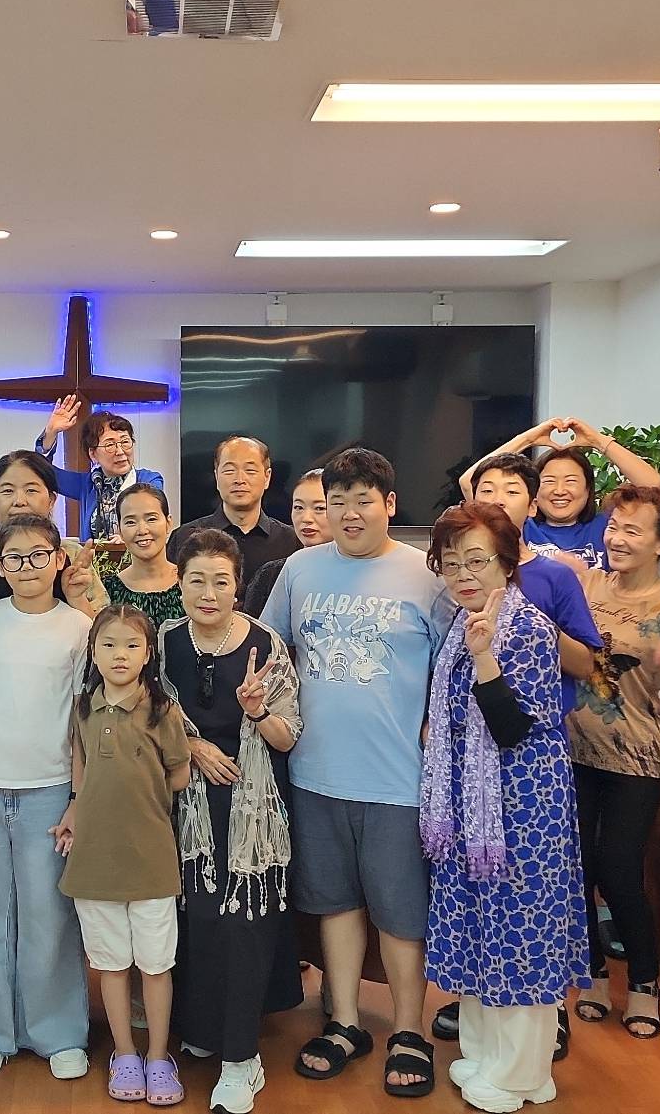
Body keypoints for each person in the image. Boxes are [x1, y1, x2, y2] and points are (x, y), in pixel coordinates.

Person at [261, 448, 453, 1098]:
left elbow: (454, 666)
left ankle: (408, 1030)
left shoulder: (426, 575)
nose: (348, 513)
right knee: (334, 904)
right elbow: (268, 650)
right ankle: (344, 1022)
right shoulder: (299, 568)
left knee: (401, 913)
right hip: (314, 773)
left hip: (398, 778)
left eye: (362, 500)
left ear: (389, 504)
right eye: (336, 501)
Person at [431, 452, 604, 1052]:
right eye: (451, 563)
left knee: (522, 924)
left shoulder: (525, 626)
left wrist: (485, 659)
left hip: (523, 804)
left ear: (507, 562)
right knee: (484, 924)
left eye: (477, 561)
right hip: (477, 803)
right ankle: (484, 1052)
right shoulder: (466, 621)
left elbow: (510, 728)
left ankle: (520, 1068)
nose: (464, 574)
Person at [566, 484, 660, 1040]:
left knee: (617, 870)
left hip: (634, 757)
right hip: (571, 751)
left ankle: (645, 981)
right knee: (576, 868)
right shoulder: (585, 584)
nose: (617, 539)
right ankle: (592, 974)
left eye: (633, 530)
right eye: (614, 527)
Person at [159, 530, 303, 1114]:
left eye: (221, 581)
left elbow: (287, 736)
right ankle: (203, 1026)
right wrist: (193, 746)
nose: (208, 593)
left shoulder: (265, 645)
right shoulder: (165, 640)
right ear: (179, 584)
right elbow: (153, 714)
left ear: (238, 586)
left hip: (252, 807)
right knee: (195, 917)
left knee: (245, 922)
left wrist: (257, 710)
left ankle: (242, 1058)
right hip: (186, 803)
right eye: (196, 580)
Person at [0, 517, 91, 1081]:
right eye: (14, 558)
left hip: (49, 789)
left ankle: (57, 1032)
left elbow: (83, 722)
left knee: (48, 913)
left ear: (59, 559)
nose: (26, 567)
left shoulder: (79, 628)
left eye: (38, 555)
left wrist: (77, 796)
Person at [58, 605, 192, 1107]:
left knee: (156, 965)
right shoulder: (82, 708)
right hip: (95, 862)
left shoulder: (163, 711)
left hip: (152, 860)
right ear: (93, 652)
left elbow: (178, 774)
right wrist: (77, 810)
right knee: (111, 964)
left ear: (149, 653)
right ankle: (125, 1052)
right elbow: (80, 767)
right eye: (109, 644)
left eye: (132, 645)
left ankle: (158, 1055)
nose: (120, 655)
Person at [458, 417, 660, 569]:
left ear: (588, 489)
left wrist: (598, 441)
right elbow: (469, 482)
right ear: (533, 493)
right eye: (549, 481)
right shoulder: (519, 525)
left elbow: (653, 485)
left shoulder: (607, 526)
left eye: (571, 481)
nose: (559, 491)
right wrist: (527, 439)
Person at [0, 450, 108, 618]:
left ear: (51, 500)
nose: (19, 501)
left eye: (31, 490)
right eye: (8, 491)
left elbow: (106, 629)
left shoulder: (72, 555)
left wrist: (78, 600)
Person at [168, 437, 300, 611]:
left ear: (267, 477)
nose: (239, 479)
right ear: (216, 476)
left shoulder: (291, 541)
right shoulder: (185, 537)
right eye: (229, 470)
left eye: (250, 470)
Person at [34, 394, 166, 542]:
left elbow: (151, 516)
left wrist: (127, 537)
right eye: (110, 445)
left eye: (125, 442)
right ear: (93, 454)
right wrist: (51, 432)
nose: (120, 451)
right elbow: (43, 471)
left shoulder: (149, 480)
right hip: (93, 557)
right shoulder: (88, 484)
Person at [243, 469, 330, 619]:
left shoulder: (362, 573)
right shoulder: (272, 574)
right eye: (298, 507)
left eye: (320, 508)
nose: (306, 518)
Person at [105, 484, 184, 627]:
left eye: (151, 519)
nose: (142, 530)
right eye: (130, 522)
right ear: (120, 530)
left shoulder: (190, 582)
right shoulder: (108, 590)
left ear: (168, 523)